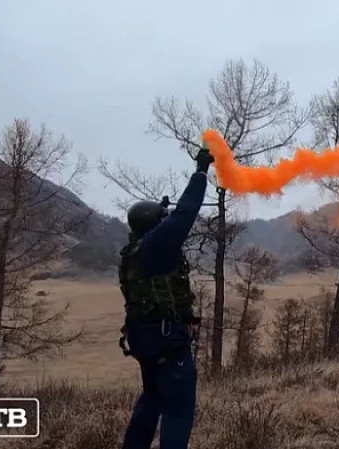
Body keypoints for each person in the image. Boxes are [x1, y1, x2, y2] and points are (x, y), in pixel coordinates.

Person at [117, 148, 214, 449]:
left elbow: (165, 224)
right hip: (167, 343)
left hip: (145, 341)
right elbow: (184, 214)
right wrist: (201, 173)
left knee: (151, 402)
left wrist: (158, 214)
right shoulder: (156, 246)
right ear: (153, 226)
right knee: (178, 412)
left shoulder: (135, 251)